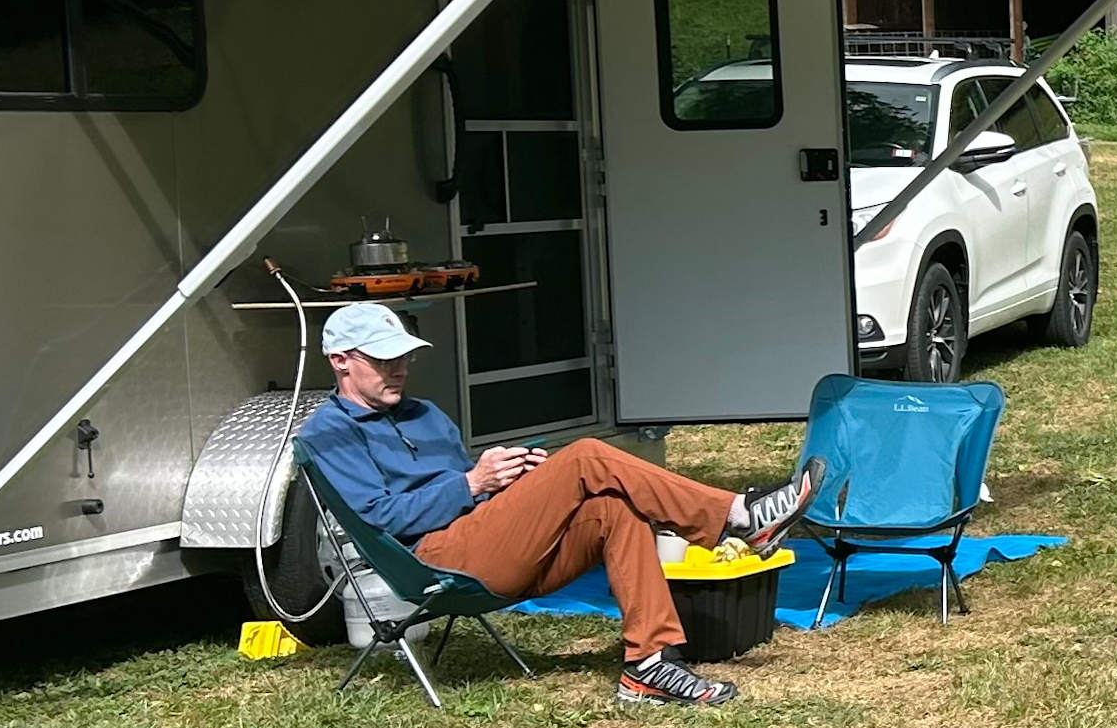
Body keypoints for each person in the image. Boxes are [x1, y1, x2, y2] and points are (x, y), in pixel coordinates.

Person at [295, 301, 823, 707]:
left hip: (483, 542)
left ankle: (649, 666)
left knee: (613, 505)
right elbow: (381, 518)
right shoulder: (329, 433)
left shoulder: (424, 413)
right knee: (587, 456)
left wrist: (508, 482)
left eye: (403, 356)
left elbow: (463, 490)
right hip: (433, 561)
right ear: (340, 361)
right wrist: (473, 483)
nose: (398, 368)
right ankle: (739, 517)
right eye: (382, 359)